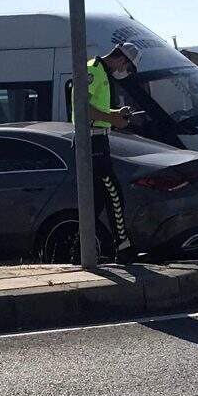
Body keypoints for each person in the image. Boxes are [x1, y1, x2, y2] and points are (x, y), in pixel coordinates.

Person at [72, 42, 142, 263]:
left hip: (98, 137)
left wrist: (115, 113)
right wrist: (112, 118)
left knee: (94, 200)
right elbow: (81, 106)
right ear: (122, 60)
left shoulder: (100, 71)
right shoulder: (93, 69)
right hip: (91, 140)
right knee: (113, 192)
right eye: (129, 68)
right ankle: (123, 246)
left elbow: (96, 108)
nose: (126, 73)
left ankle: (79, 250)